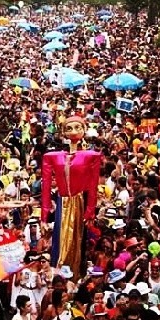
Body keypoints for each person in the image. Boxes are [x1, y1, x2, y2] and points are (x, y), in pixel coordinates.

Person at [41, 116, 102, 279]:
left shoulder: (92, 156)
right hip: (63, 200)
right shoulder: (51, 156)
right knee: (60, 240)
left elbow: (93, 186)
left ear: (84, 129)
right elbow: (46, 186)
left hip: (79, 201)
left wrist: (90, 211)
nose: (74, 131)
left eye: (77, 127)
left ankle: (75, 275)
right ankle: (59, 273)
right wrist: (43, 217)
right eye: (69, 128)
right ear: (63, 132)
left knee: (77, 240)